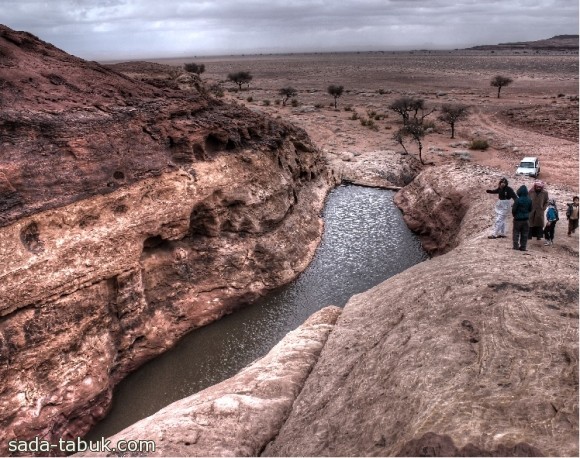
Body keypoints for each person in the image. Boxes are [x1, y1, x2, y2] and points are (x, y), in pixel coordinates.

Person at [512, 185, 532, 251]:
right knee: (525, 234)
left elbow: (514, 210)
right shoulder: (529, 200)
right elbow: (530, 209)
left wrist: (514, 215)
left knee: (516, 232)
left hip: (517, 219)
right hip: (526, 219)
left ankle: (515, 246)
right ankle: (523, 247)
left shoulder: (517, 200)